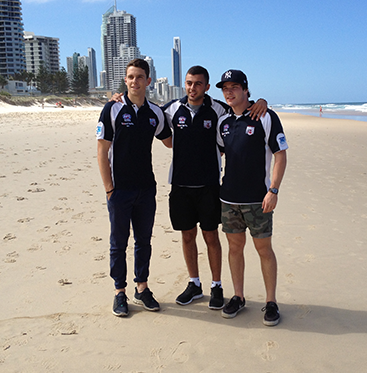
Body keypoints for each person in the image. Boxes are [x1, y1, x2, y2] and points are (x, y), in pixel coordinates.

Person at [112, 66, 267, 310]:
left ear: (206, 87)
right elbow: (145, 111)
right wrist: (118, 98)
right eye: (188, 83)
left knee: (211, 236)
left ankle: (216, 285)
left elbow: (242, 107)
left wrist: (261, 101)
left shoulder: (218, 109)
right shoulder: (172, 109)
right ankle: (194, 284)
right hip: (181, 186)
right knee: (187, 236)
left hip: (209, 186)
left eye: (197, 84)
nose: (192, 88)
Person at [96, 58, 172, 317]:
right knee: (118, 243)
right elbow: (102, 150)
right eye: (130, 77)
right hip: (120, 190)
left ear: (148, 81)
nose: (135, 81)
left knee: (144, 242)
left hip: (146, 189)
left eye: (140, 77)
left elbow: (170, 140)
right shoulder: (113, 109)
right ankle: (120, 292)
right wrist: (109, 188)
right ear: (125, 80)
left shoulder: (155, 113)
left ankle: (142, 288)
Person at [216, 69, 288, 326]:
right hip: (229, 199)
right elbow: (221, 154)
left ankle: (271, 302)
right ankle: (238, 296)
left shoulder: (265, 117)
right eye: (225, 88)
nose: (229, 92)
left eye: (234, 87)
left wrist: (274, 190)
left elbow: (280, 154)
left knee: (264, 250)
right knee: (235, 249)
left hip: (259, 199)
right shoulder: (222, 122)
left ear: (246, 89)